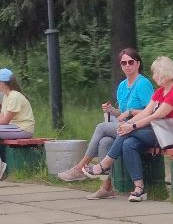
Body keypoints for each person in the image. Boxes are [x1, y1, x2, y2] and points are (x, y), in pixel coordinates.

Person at [83, 56, 173, 202]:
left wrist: (131, 126)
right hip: (155, 131)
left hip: (171, 134)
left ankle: (105, 165)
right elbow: (146, 112)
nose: (153, 76)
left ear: (163, 73)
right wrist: (127, 124)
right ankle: (139, 188)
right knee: (128, 143)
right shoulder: (160, 92)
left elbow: (156, 115)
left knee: (129, 132)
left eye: (155, 73)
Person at [58, 47, 155, 185]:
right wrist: (112, 110)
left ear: (138, 64)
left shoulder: (143, 84)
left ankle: (80, 168)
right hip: (125, 127)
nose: (127, 65)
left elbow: (151, 111)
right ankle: (106, 187)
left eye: (131, 62)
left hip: (141, 128)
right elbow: (122, 114)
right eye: (123, 63)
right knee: (104, 142)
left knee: (102, 127)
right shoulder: (122, 86)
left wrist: (131, 112)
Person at [0, 68, 35, 182]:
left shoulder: (14, 96)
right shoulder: (6, 96)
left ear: (3, 84)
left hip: (23, 129)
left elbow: (5, 121)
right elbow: (1, 118)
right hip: (14, 127)